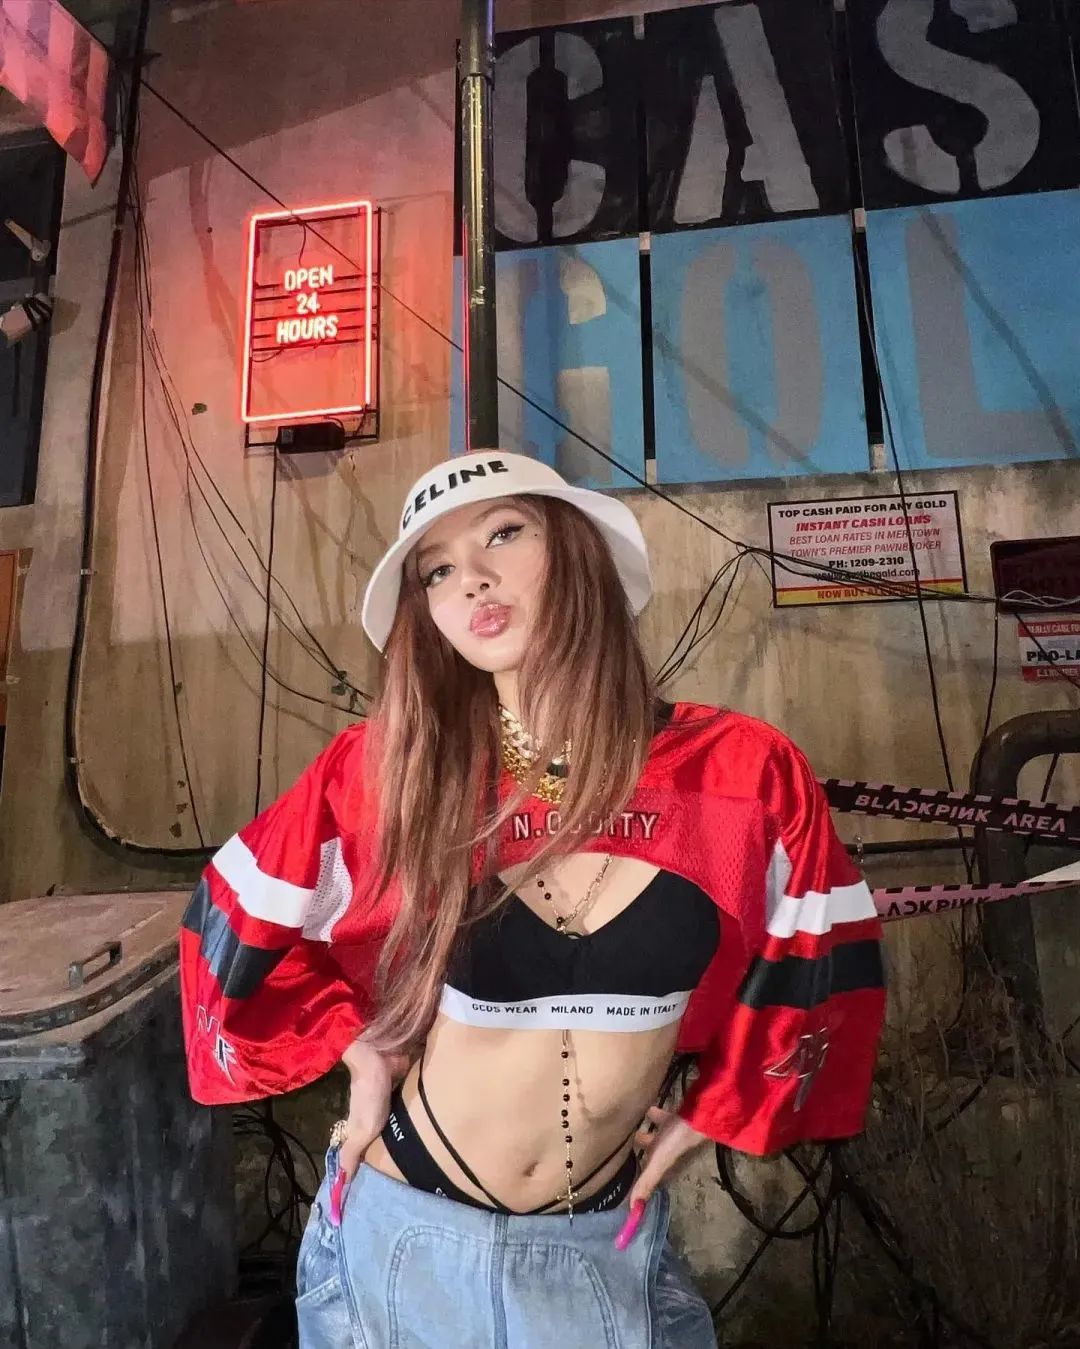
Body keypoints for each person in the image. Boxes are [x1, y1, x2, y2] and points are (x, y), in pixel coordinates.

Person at [180, 450, 885, 1348]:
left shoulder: (738, 773)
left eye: (504, 533)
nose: (472, 577)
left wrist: (720, 1107)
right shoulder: (398, 774)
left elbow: (819, 945)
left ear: (579, 552)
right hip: (410, 1236)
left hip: (600, 1247)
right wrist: (355, 1052)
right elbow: (228, 918)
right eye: (437, 570)